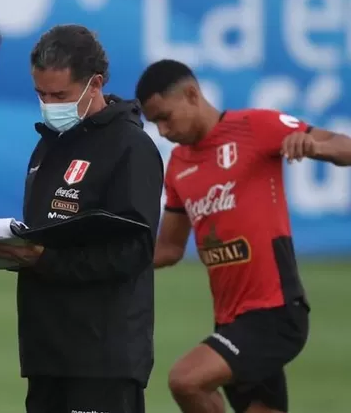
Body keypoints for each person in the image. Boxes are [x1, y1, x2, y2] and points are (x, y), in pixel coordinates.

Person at [135, 59, 351, 413]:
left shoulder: (255, 127)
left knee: (186, 380)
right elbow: (171, 248)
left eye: (165, 117)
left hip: (275, 313)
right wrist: (116, 262)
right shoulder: (177, 166)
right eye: (154, 122)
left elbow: (343, 144)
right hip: (231, 321)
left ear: (192, 95)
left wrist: (317, 146)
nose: (162, 130)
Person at [0, 25, 164, 413]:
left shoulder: (131, 149)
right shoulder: (48, 145)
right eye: (41, 94)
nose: (49, 104)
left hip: (102, 356)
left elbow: (134, 250)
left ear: (95, 83)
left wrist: (44, 259)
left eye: (60, 95)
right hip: (46, 352)